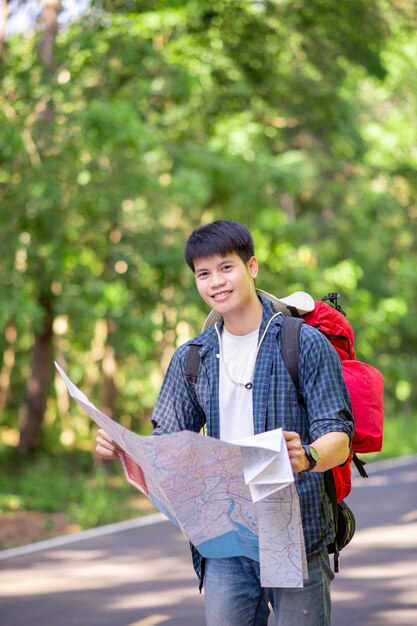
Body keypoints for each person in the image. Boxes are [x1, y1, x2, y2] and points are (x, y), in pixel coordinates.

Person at [96, 220, 353, 626]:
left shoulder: (301, 342)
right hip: (225, 537)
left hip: (294, 532)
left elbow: (339, 437)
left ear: (251, 267)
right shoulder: (192, 357)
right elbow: (168, 444)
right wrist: (123, 446)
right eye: (203, 273)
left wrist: (306, 455)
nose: (216, 281)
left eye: (226, 267)